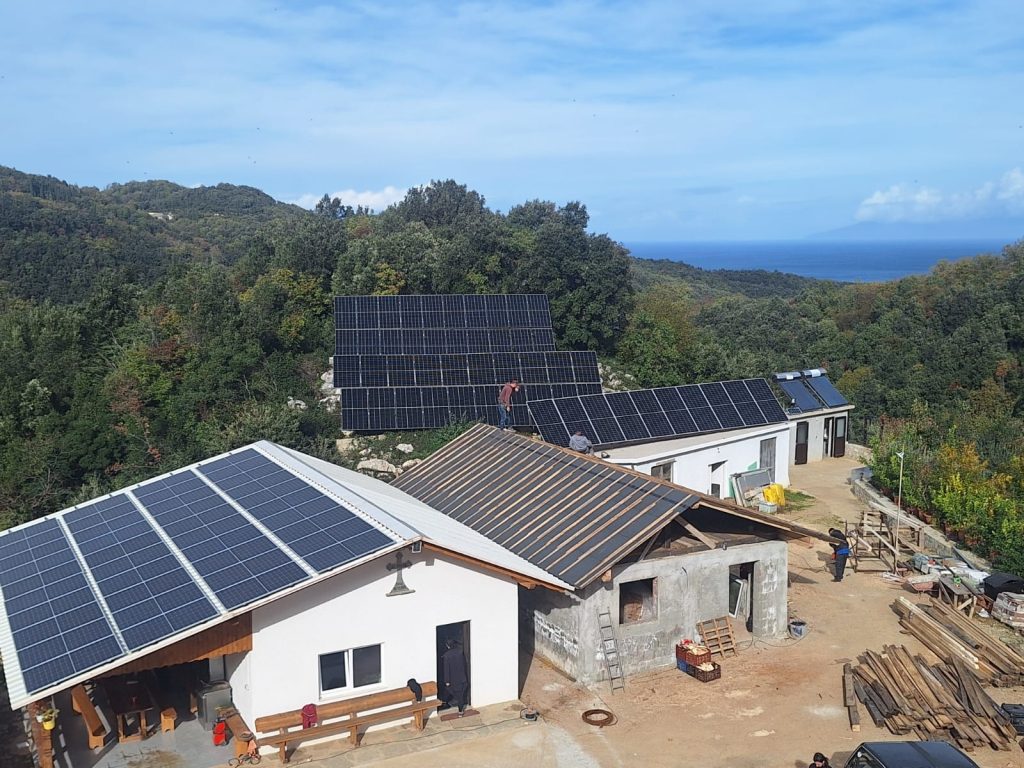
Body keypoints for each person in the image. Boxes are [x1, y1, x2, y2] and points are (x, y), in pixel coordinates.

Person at [440, 638, 469, 716]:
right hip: (462, 677)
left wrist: (447, 681)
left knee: (450, 691)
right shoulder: (460, 652)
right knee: (460, 695)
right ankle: (460, 710)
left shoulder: (446, 656)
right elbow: (464, 665)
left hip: (453, 679)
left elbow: (446, 669)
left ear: (448, 646)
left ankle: (447, 703)